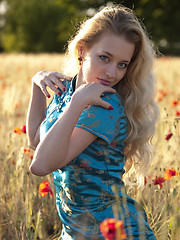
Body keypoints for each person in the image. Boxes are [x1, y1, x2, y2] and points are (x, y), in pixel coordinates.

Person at [27, 4, 159, 240]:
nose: (111, 73)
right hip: (77, 232)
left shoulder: (106, 105)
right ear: (82, 50)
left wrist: (77, 103)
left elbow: (41, 165)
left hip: (116, 232)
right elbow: (37, 143)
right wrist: (37, 86)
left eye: (122, 64)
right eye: (104, 58)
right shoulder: (66, 91)